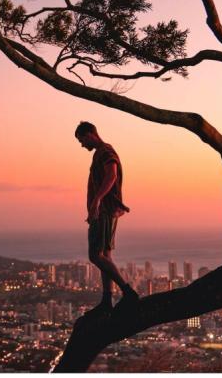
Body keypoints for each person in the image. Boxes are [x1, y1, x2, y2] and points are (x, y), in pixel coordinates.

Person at [75, 121, 140, 312]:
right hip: (106, 210)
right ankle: (107, 300)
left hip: (104, 211)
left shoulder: (105, 151)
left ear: (90, 134)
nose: (82, 145)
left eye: (82, 140)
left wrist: (97, 200)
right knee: (105, 255)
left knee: (95, 255)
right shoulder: (101, 152)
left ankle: (127, 291)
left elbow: (111, 175)